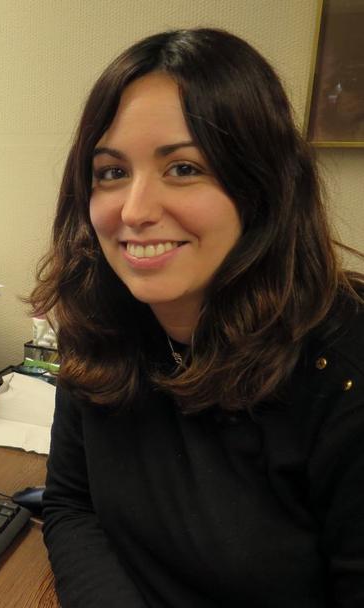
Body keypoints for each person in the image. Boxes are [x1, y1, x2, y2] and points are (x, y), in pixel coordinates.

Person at [29, 29, 364, 607]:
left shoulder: (342, 371)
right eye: (111, 172)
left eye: (183, 168)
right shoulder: (103, 320)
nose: (134, 211)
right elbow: (70, 503)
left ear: (262, 186)